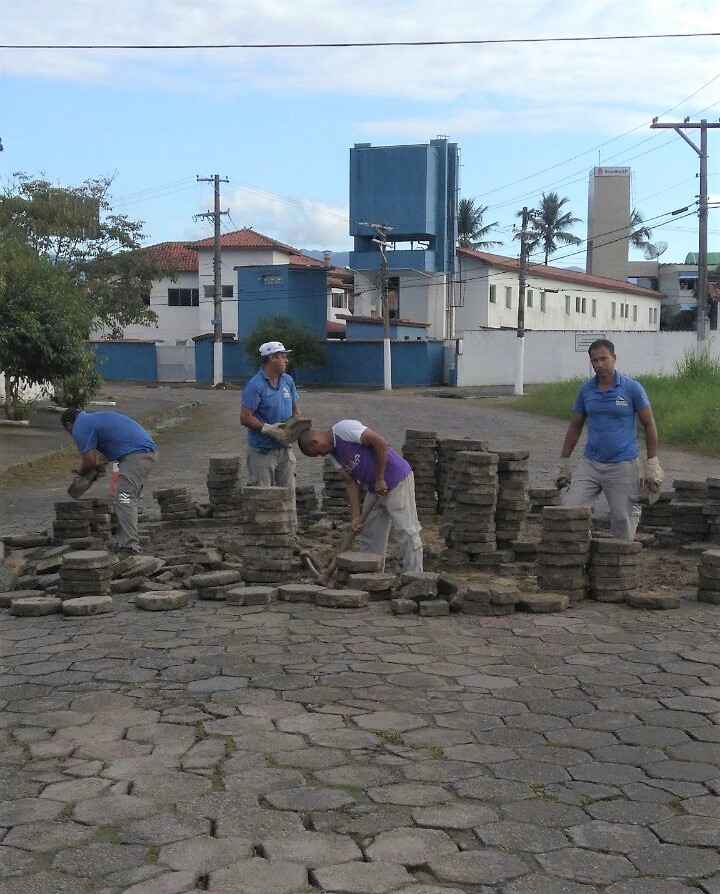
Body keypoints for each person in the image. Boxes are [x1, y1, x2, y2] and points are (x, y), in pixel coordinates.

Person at [556, 338, 663, 541]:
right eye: (594, 360)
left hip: (623, 464)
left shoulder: (632, 389)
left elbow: (649, 424)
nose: (599, 364)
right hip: (591, 464)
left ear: (614, 358)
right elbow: (575, 426)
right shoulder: (586, 390)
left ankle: (619, 565)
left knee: (622, 521)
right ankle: (579, 555)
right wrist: (564, 461)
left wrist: (652, 462)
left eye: (603, 359)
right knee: (569, 511)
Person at [298, 420, 423, 572]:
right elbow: (351, 483)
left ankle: (415, 575)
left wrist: (380, 478)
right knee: (370, 534)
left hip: (396, 479)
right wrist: (356, 516)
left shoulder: (344, 429)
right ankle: (371, 578)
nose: (320, 455)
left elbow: (380, 443)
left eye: (317, 452)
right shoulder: (333, 455)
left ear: (314, 442)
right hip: (374, 489)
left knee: (406, 531)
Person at [61, 408, 158, 554]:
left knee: (124, 497)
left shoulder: (80, 425)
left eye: (69, 431)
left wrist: (82, 474)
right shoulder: (94, 419)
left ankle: (129, 545)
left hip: (136, 456)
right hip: (142, 453)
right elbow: (106, 451)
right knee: (127, 498)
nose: (71, 434)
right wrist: (97, 468)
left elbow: (89, 461)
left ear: (69, 425)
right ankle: (126, 537)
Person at [240, 342, 300, 518]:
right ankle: (266, 538)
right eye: (282, 356)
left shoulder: (288, 381)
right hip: (262, 451)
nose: (286, 360)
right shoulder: (255, 385)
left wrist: (295, 424)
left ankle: (290, 534)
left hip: (285, 449)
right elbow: (245, 417)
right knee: (264, 497)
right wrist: (267, 428)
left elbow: (296, 409)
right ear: (271, 359)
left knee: (289, 494)